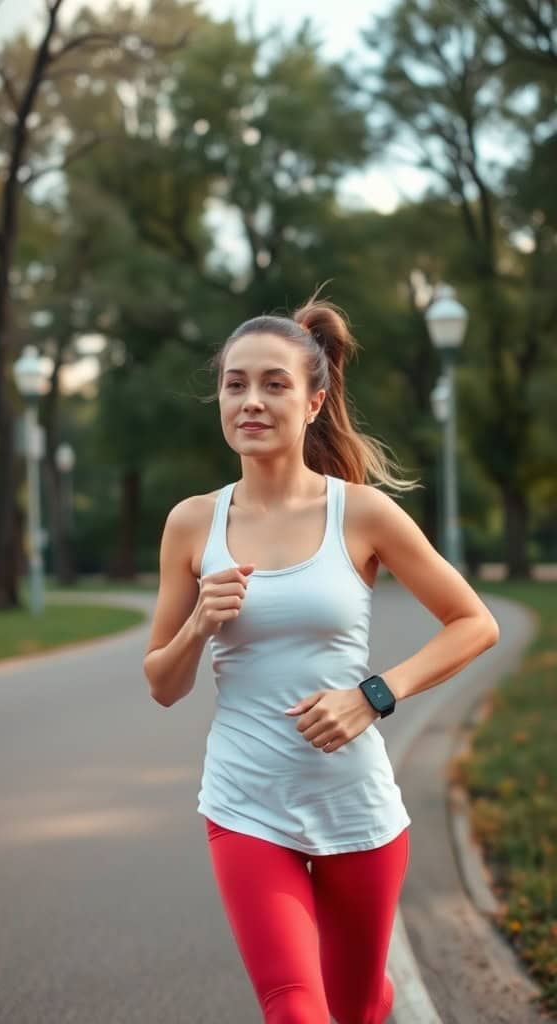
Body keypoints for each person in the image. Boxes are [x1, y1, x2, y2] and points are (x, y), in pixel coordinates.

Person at [143, 291, 500, 1024]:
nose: (250, 400)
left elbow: (474, 622)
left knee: (359, 1005)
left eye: (274, 383)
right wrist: (197, 628)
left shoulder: (360, 513)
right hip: (246, 804)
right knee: (296, 1009)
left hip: (355, 806)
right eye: (235, 383)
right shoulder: (191, 524)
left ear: (314, 399)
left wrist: (374, 694)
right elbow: (162, 685)